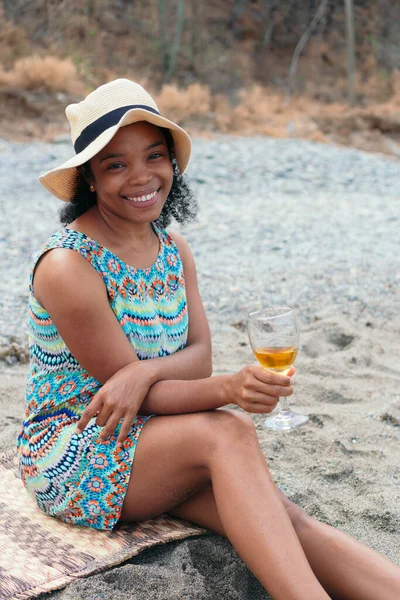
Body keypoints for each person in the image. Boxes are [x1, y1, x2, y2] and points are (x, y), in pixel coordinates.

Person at [17, 79, 400, 600]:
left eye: (154, 156)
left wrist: (147, 369)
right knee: (229, 432)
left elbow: (196, 360)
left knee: (286, 519)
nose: (141, 177)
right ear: (89, 179)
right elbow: (142, 393)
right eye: (116, 164)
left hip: (158, 434)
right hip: (80, 444)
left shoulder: (173, 248)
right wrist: (228, 390)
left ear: (172, 161)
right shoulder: (68, 265)